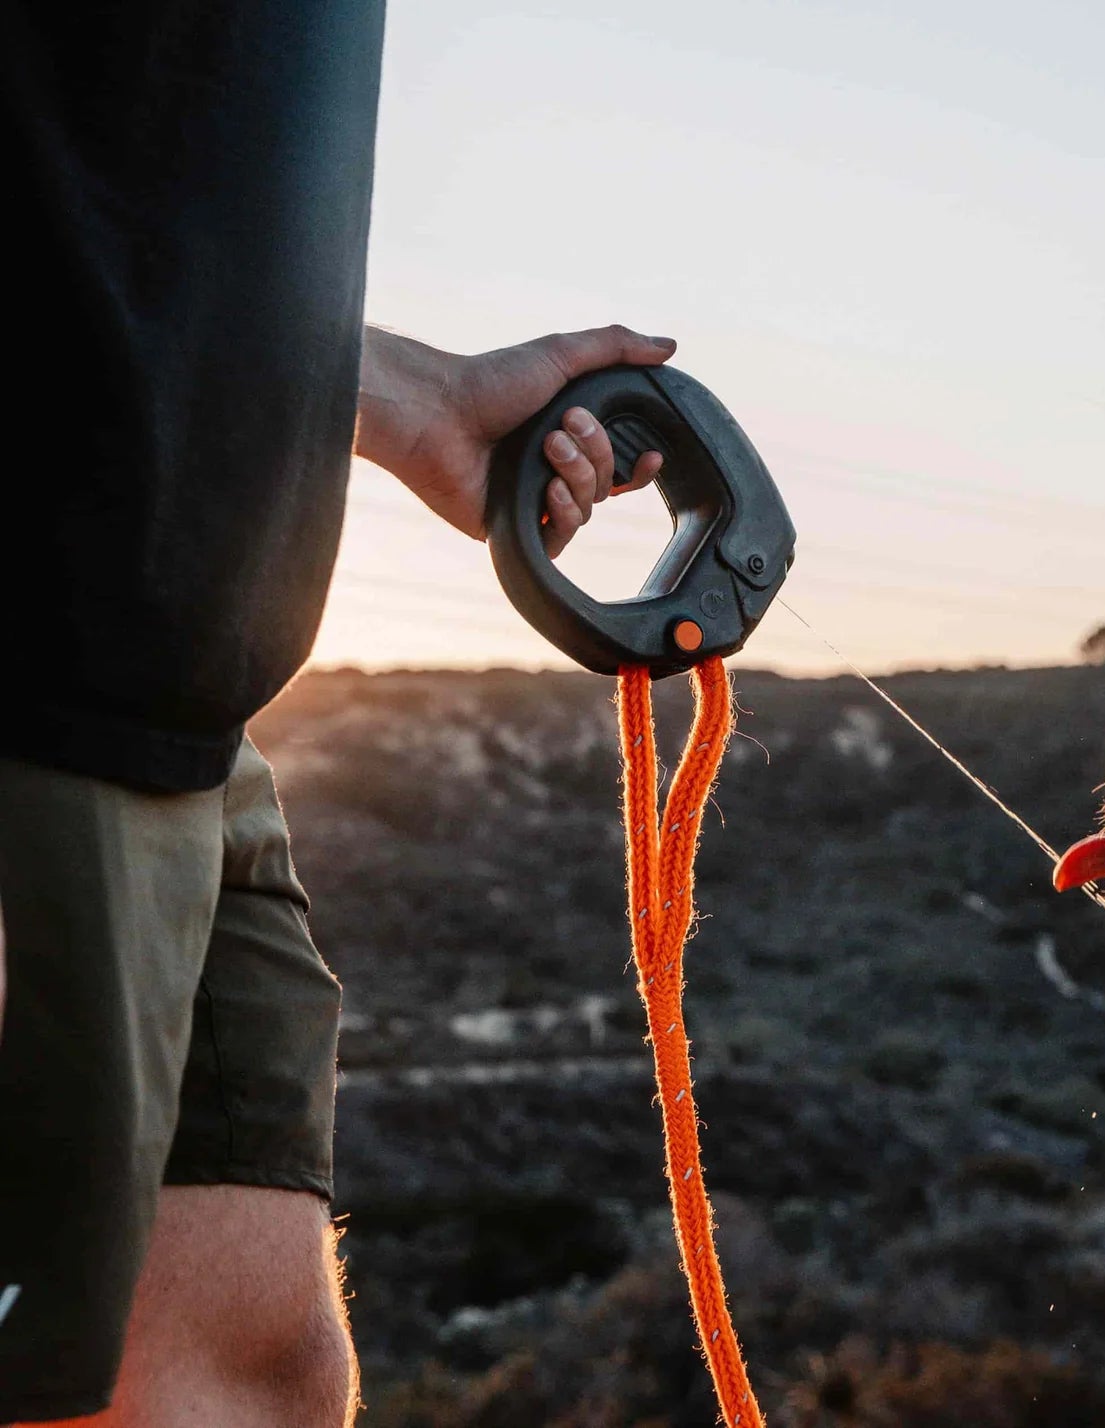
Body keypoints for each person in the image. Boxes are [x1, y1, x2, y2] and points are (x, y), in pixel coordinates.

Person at [0, 5, 672, 1422]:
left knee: (247, 1378)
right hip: (35, 679)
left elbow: (133, 165)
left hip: (184, 705)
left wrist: (377, 386)